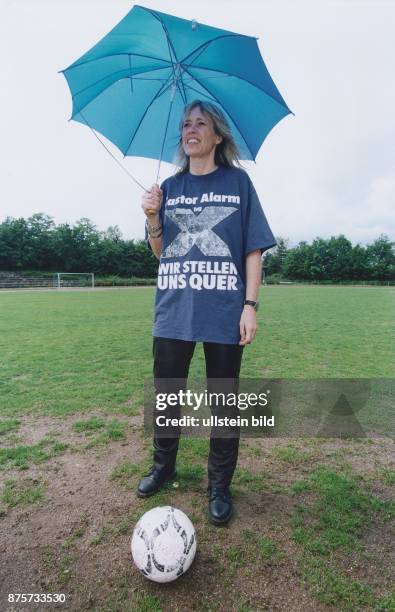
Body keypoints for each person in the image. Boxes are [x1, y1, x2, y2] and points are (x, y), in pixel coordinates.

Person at [137, 100, 276, 525]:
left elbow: (253, 249)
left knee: (224, 402)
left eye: (201, 123)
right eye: (185, 125)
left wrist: (249, 306)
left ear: (217, 136)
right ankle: (164, 467)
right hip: (174, 310)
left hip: (223, 310)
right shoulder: (170, 187)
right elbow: (162, 254)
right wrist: (153, 217)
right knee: (168, 397)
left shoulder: (238, 183)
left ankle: (218, 484)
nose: (191, 130)